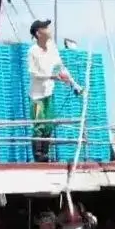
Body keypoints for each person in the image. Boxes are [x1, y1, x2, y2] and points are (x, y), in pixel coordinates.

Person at [27, 19, 83, 163]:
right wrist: (52, 77)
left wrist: (74, 84)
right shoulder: (33, 51)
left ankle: (45, 154)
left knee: (49, 124)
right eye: (45, 28)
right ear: (38, 33)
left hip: (49, 93)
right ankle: (39, 156)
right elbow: (34, 74)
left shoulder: (52, 47)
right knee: (39, 125)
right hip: (37, 96)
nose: (49, 29)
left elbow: (61, 67)